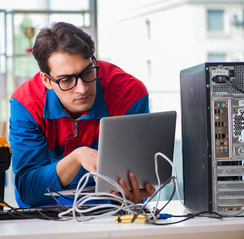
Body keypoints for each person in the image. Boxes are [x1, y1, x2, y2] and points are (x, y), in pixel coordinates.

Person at [9, 22, 155, 207]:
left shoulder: (129, 94)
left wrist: (136, 193)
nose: (82, 88)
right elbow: (29, 190)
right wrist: (76, 157)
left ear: (94, 62)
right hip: (47, 210)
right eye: (66, 80)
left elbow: (141, 179)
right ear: (47, 80)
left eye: (87, 72)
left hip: (108, 206)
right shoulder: (26, 104)